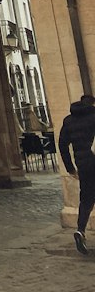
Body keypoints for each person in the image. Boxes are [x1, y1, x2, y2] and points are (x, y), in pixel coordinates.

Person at [57, 92, 95, 255]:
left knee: (86, 198)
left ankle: (80, 230)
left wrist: (70, 168)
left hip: (83, 164)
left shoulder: (68, 120)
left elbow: (62, 146)